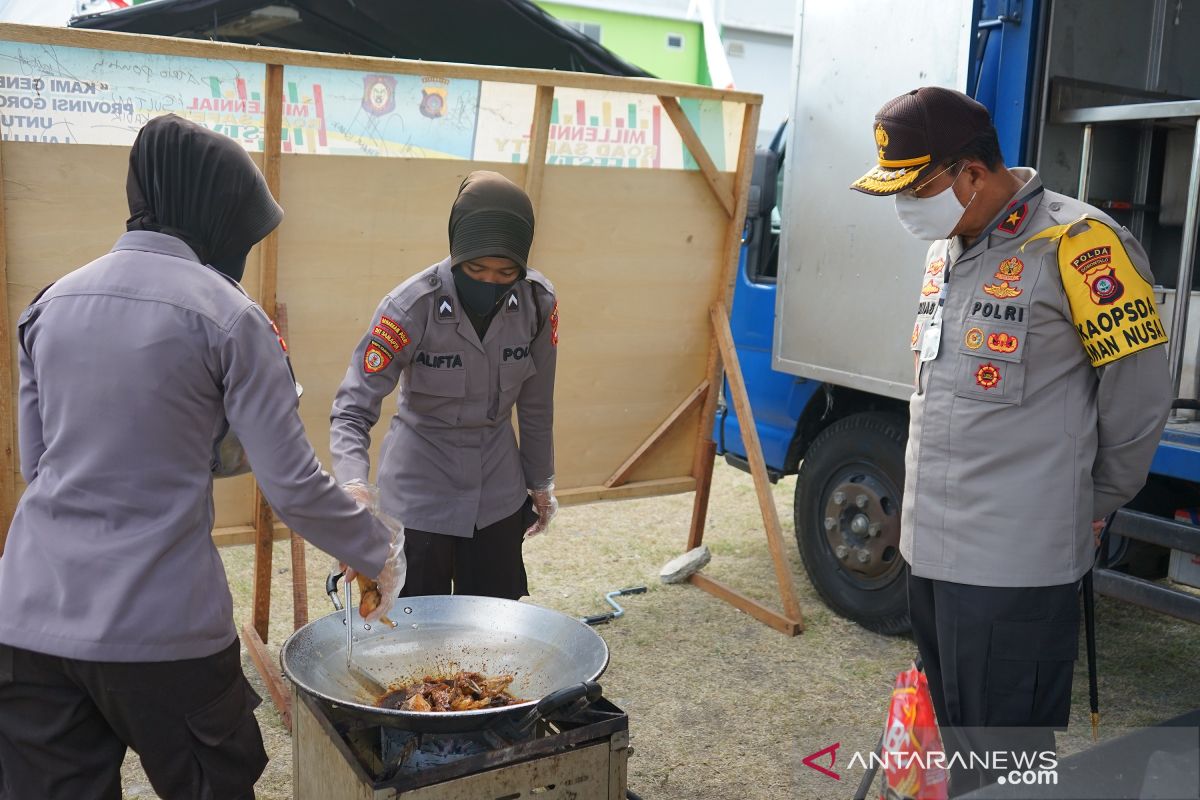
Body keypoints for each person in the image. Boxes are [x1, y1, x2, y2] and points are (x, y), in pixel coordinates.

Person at [0, 114, 404, 800]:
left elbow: (38, 466)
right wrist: (378, 550)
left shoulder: (48, 304)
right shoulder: (229, 315)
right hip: (164, 631)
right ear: (214, 216)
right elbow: (293, 487)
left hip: (29, 622)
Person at [851, 88, 1171, 795]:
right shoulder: (948, 249)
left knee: (1005, 758)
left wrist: (1091, 500)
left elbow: (1139, 397)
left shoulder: (1079, 244)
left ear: (970, 173)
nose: (907, 207)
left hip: (1013, 561)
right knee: (959, 746)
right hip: (933, 548)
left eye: (918, 187)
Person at [330, 170, 558, 601]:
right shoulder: (411, 307)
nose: (490, 281)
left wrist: (540, 481)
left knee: (494, 627)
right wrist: (353, 487)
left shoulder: (536, 303)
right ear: (457, 251)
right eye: (476, 268)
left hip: (497, 494)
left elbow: (536, 403)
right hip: (421, 496)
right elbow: (353, 408)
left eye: (505, 270)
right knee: (413, 629)